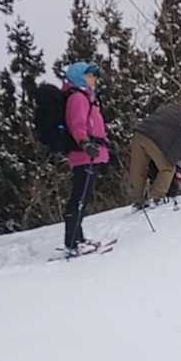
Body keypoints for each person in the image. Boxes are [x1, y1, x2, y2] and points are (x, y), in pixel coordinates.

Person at [61, 62, 109, 254]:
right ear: (79, 77)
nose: (93, 79)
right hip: (84, 154)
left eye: (94, 76)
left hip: (90, 152)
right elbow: (77, 125)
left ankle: (78, 238)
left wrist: (103, 142)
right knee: (79, 197)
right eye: (89, 76)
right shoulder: (78, 98)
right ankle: (72, 242)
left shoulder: (87, 97)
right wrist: (85, 144)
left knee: (83, 197)